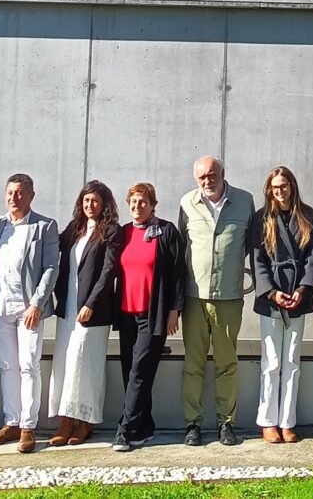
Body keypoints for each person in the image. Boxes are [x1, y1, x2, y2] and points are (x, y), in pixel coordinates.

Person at [176, 155, 255, 447]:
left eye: (212, 175)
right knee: (193, 363)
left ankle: (226, 423)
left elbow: (250, 245)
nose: (207, 181)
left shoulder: (245, 201)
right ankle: (192, 424)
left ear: (222, 173)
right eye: (202, 177)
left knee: (226, 363)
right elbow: (182, 249)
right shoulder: (187, 203)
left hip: (229, 296)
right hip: (194, 296)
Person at [0, 173, 60, 454]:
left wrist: (37, 304)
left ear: (31, 196)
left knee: (28, 365)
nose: (13, 198)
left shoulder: (44, 226)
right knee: (7, 366)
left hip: (28, 308)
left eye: (19, 193)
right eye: (10, 192)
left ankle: (28, 427)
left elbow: (51, 268)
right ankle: (11, 422)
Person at [110, 182, 188, 453]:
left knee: (140, 372)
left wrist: (174, 310)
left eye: (143, 201)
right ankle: (145, 426)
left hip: (153, 316)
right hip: (126, 314)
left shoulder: (166, 232)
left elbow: (178, 274)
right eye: (133, 201)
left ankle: (124, 430)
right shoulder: (123, 233)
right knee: (130, 371)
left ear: (153, 204)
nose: (137, 206)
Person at [248, 166, 313, 444]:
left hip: (297, 296)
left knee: (291, 360)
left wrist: (303, 289)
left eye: (284, 185)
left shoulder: (307, 214)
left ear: (292, 186)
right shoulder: (261, 217)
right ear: (269, 189)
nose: (280, 191)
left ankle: (287, 421)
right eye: (275, 186)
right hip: (271, 299)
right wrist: (271, 292)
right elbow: (257, 259)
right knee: (272, 361)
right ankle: (268, 421)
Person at [49, 180, 119, 446]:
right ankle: (66, 421)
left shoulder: (111, 231)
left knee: (85, 364)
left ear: (104, 205)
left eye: (96, 201)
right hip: (68, 306)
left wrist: (91, 302)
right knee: (66, 362)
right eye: (87, 200)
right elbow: (52, 248)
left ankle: (86, 421)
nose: (90, 205)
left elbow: (108, 271)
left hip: (93, 310)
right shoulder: (74, 228)